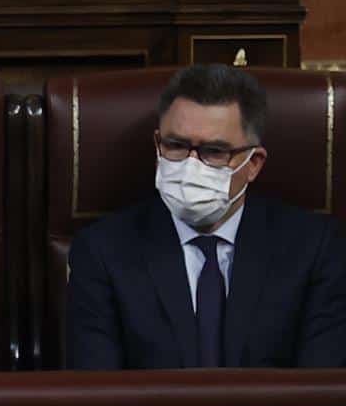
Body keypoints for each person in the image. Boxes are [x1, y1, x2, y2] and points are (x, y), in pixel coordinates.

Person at [66, 63, 346, 370]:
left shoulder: (314, 249)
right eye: (176, 146)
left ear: (253, 164)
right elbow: (96, 397)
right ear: (157, 144)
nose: (190, 166)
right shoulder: (102, 252)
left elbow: (320, 393)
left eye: (214, 151)